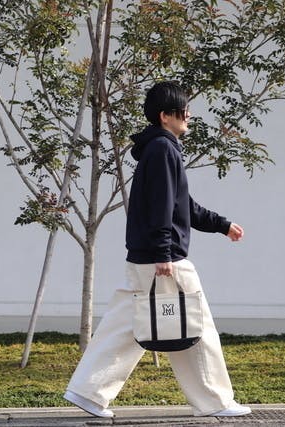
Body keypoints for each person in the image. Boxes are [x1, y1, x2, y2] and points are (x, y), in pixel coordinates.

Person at [63, 81, 251, 418]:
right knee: (197, 326)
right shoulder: (164, 149)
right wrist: (164, 253)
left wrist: (222, 225)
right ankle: (216, 402)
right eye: (183, 110)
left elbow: (182, 205)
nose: (189, 115)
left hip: (146, 256)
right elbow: (162, 206)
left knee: (126, 326)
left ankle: (87, 392)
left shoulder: (160, 148)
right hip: (163, 259)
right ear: (166, 116)